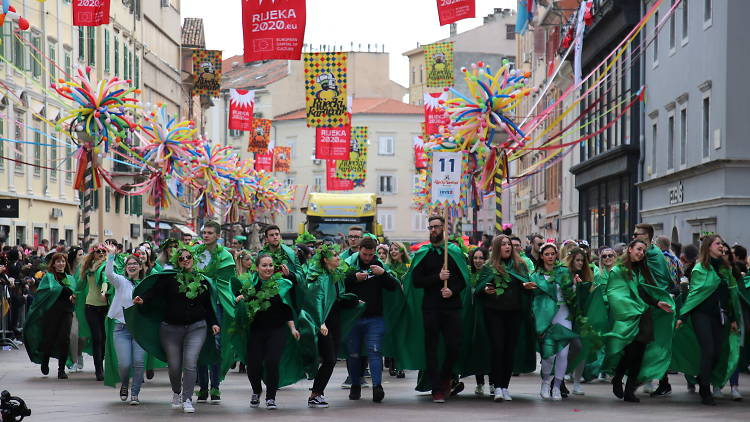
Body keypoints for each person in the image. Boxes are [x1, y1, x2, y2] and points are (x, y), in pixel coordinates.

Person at [129, 247, 221, 414]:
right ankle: (177, 392)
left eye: (188, 257)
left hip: (197, 327)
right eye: (181, 258)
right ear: (176, 261)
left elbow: (208, 305)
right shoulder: (168, 278)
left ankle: (187, 398)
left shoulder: (201, 280)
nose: (185, 260)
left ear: (193, 258)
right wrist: (143, 299)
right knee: (174, 366)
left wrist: (214, 322)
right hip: (170, 329)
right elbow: (153, 292)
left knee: (191, 363)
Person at [399, 215, 469, 403]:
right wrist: (438, 278)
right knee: (431, 348)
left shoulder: (453, 251)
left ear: (444, 228)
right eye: (430, 227)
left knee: (454, 346)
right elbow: (416, 280)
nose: (433, 230)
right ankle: (437, 387)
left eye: (436, 227)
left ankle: (446, 377)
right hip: (430, 307)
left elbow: (463, 280)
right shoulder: (424, 253)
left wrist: (451, 290)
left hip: (451, 307)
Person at [671, 234, 741, 406]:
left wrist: (733, 318)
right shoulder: (700, 268)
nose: (721, 245)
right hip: (700, 314)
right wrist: (683, 316)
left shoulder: (726, 269)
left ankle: (703, 377)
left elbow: (731, 295)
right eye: (717, 243)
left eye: (722, 243)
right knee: (708, 350)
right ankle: (704, 390)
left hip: (720, 315)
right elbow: (695, 295)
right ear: (708, 246)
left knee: (718, 352)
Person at [604, 239, 675, 403]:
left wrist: (657, 302)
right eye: (638, 249)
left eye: (643, 251)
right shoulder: (618, 270)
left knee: (638, 354)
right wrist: (632, 308)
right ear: (629, 249)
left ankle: (629, 390)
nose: (641, 253)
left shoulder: (643, 270)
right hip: (629, 316)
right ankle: (618, 377)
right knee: (629, 353)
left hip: (644, 316)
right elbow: (615, 294)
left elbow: (644, 291)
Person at [229, 254, 302, 410]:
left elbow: (287, 309)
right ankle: (256, 391)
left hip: (277, 329)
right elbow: (237, 300)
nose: (268, 268)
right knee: (253, 364)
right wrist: (239, 299)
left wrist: (293, 328)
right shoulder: (249, 285)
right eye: (264, 265)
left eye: (270, 265)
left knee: (272, 361)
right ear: (257, 268)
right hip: (256, 331)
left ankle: (271, 397)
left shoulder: (281, 284)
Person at [297, 244, 363, 408]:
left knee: (330, 360)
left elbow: (337, 299)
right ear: (326, 260)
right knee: (330, 359)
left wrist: (353, 300)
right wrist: (320, 322)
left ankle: (317, 393)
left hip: (334, 323)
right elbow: (315, 301)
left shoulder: (335, 276)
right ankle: (315, 394)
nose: (338, 258)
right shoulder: (321, 278)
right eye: (335, 256)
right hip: (324, 324)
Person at [472, 236, 536, 401]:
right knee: (498, 348)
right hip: (494, 313)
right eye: (504, 244)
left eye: (509, 244)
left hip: (514, 313)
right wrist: (485, 290)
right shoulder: (489, 267)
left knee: (509, 350)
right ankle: (497, 386)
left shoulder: (519, 265)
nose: (507, 247)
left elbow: (526, 283)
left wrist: (527, 287)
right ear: (497, 247)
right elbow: (479, 288)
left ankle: (505, 387)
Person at [343, 236, 400, 403]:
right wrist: (354, 278)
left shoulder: (380, 266)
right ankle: (355, 385)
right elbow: (338, 285)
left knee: (375, 352)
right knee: (353, 354)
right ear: (359, 250)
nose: (367, 258)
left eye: (370, 254)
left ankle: (377, 387)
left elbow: (393, 286)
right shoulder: (349, 265)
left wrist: (383, 275)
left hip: (375, 318)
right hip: (353, 318)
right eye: (365, 254)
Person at [194, 221, 236, 404]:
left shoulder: (225, 255)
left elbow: (225, 281)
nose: (206, 235)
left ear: (218, 235)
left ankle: (215, 386)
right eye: (204, 232)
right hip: (197, 305)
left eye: (210, 233)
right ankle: (203, 387)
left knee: (216, 344)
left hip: (216, 304)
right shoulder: (195, 253)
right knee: (199, 345)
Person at [531, 243, 577, 401]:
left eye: (553, 254)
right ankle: (545, 383)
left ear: (556, 255)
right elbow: (534, 299)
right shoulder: (535, 275)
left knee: (563, 353)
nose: (550, 257)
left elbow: (572, 293)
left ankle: (557, 386)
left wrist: (575, 286)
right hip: (546, 317)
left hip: (564, 314)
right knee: (549, 355)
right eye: (547, 254)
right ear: (542, 256)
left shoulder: (564, 272)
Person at [102, 245, 146, 405]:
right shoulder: (121, 281)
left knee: (139, 362)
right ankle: (125, 384)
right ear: (126, 268)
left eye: (135, 264)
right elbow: (108, 274)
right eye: (129, 264)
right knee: (125, 363)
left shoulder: (145, 284)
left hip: (140, 330)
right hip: (121, 329)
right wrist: (111, 256)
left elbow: (152, 306)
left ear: (140, 267)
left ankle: (135, 393)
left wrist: (143, 303)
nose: (132, 266)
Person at [23, 253, 76, 379]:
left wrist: (74, 296)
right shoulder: (49, 277)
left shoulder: (70, 278)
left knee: (64, 339)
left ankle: (61, 369)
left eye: (63, 261)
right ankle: (45, 360)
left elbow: (75, 291)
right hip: (51, 312)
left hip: (66, 312)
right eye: (58, 261)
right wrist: (59, 290)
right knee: (49, 338)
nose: (61, 264)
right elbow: (42, 293)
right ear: (53, 264)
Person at [76, 244, 110, 381]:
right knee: (97, 338)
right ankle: (98, 370)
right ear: (93, 253)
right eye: (98, 251)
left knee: (104, 339)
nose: (101, 253)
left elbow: (105, 280)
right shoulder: (87, 268)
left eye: (103, 251)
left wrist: (104, 291)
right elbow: (80, 284)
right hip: (90, 306)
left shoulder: (106, 266)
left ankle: (102, 363)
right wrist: (74, 293)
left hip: (104, 307)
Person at [565, 247, 595, 395]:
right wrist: (574, 286)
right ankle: (561, 374)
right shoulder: (565, 274)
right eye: (578, 260)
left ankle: (577, 382)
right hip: (566, 316)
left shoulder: (588, 276)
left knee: (581, 347)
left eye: (583, 260)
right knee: (568, 348)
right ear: (571, 260)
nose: (581, 263)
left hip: (581, 317)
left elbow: (588, 298)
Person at [385, 241, 411, 379]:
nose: (393, 251)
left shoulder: (408, 265)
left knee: (403, 336)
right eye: (391, 249)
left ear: (402, 251)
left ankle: (401, 366)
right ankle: (392, 362)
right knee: (393, 334)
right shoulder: (387, 266)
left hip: (406, 304)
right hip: (392, 305)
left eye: (396, 249)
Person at [467, 246, 490, 395]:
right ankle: (480, 383)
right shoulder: (468, 273)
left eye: (481, 258)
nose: (478, 261)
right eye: (475, 258)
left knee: (490, 349)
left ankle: (494, 383)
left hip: (487, 316)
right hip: (471, 316)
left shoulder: (489, 273)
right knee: (476, 350)